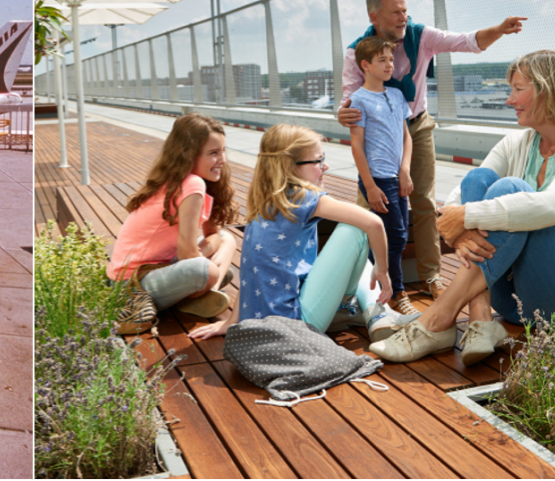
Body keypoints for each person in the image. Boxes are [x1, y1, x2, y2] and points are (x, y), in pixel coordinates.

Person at [370, 51, 555, 366]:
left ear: (548, 90)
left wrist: (467, 218)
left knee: (509, 190)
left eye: (518, 89)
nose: (509, 99)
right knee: (480, 180)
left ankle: (438, 318)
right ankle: (480, 318)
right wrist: (463, 233)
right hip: (513, 301)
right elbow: (459, 196)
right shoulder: (516, 143)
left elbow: (553, 207)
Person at [338, 0, 526, 300]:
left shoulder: (420, 36)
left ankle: (430, 277)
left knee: (424, 201)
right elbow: (348, 101)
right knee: (369, 206)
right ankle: (364, 281)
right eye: (395, 12)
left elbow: (465, 42)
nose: (404, 17)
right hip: (376, 131)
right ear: (374, 16)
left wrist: (500, 30)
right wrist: (343, 114)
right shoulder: (357, 51)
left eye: (405, 10)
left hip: (415, 124)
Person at [189, 124, 409, 343]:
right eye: (318, 160)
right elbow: (374, 223)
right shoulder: (303, 198)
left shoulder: (264, 204)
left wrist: (230, 323)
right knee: (355, 229)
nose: (326, 166)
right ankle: (373, 312)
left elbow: (251, 273)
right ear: (290, 166)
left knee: (359, 251)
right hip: (298, 325)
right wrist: (383, 271)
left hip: (266, 321)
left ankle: (372, 312)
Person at [106, 113, 239, 327]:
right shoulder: (193, 183)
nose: (222, 160)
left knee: (226, 239)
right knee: (210, 271)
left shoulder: (180, 179)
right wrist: (205, 259)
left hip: (158, 267)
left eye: (223, 151)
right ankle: (202, 294)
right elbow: (187, 253)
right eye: (213, 153)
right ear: (189, 155)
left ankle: (198, 293)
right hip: (130, 286)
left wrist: (207, 249)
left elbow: (213, 234)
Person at [348, 36, 415, 315]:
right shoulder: (358, 100)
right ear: (365, 65)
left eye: (391, 59)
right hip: (377, 179)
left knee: (397, 233)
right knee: (397, 236)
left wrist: (405, 171)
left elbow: (406, 137)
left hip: (396, 176)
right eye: (382, 60)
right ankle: (396, 292)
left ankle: (378, 287)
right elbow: (356, 145)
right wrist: (370, 186)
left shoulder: (397, 96)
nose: (389, 64)